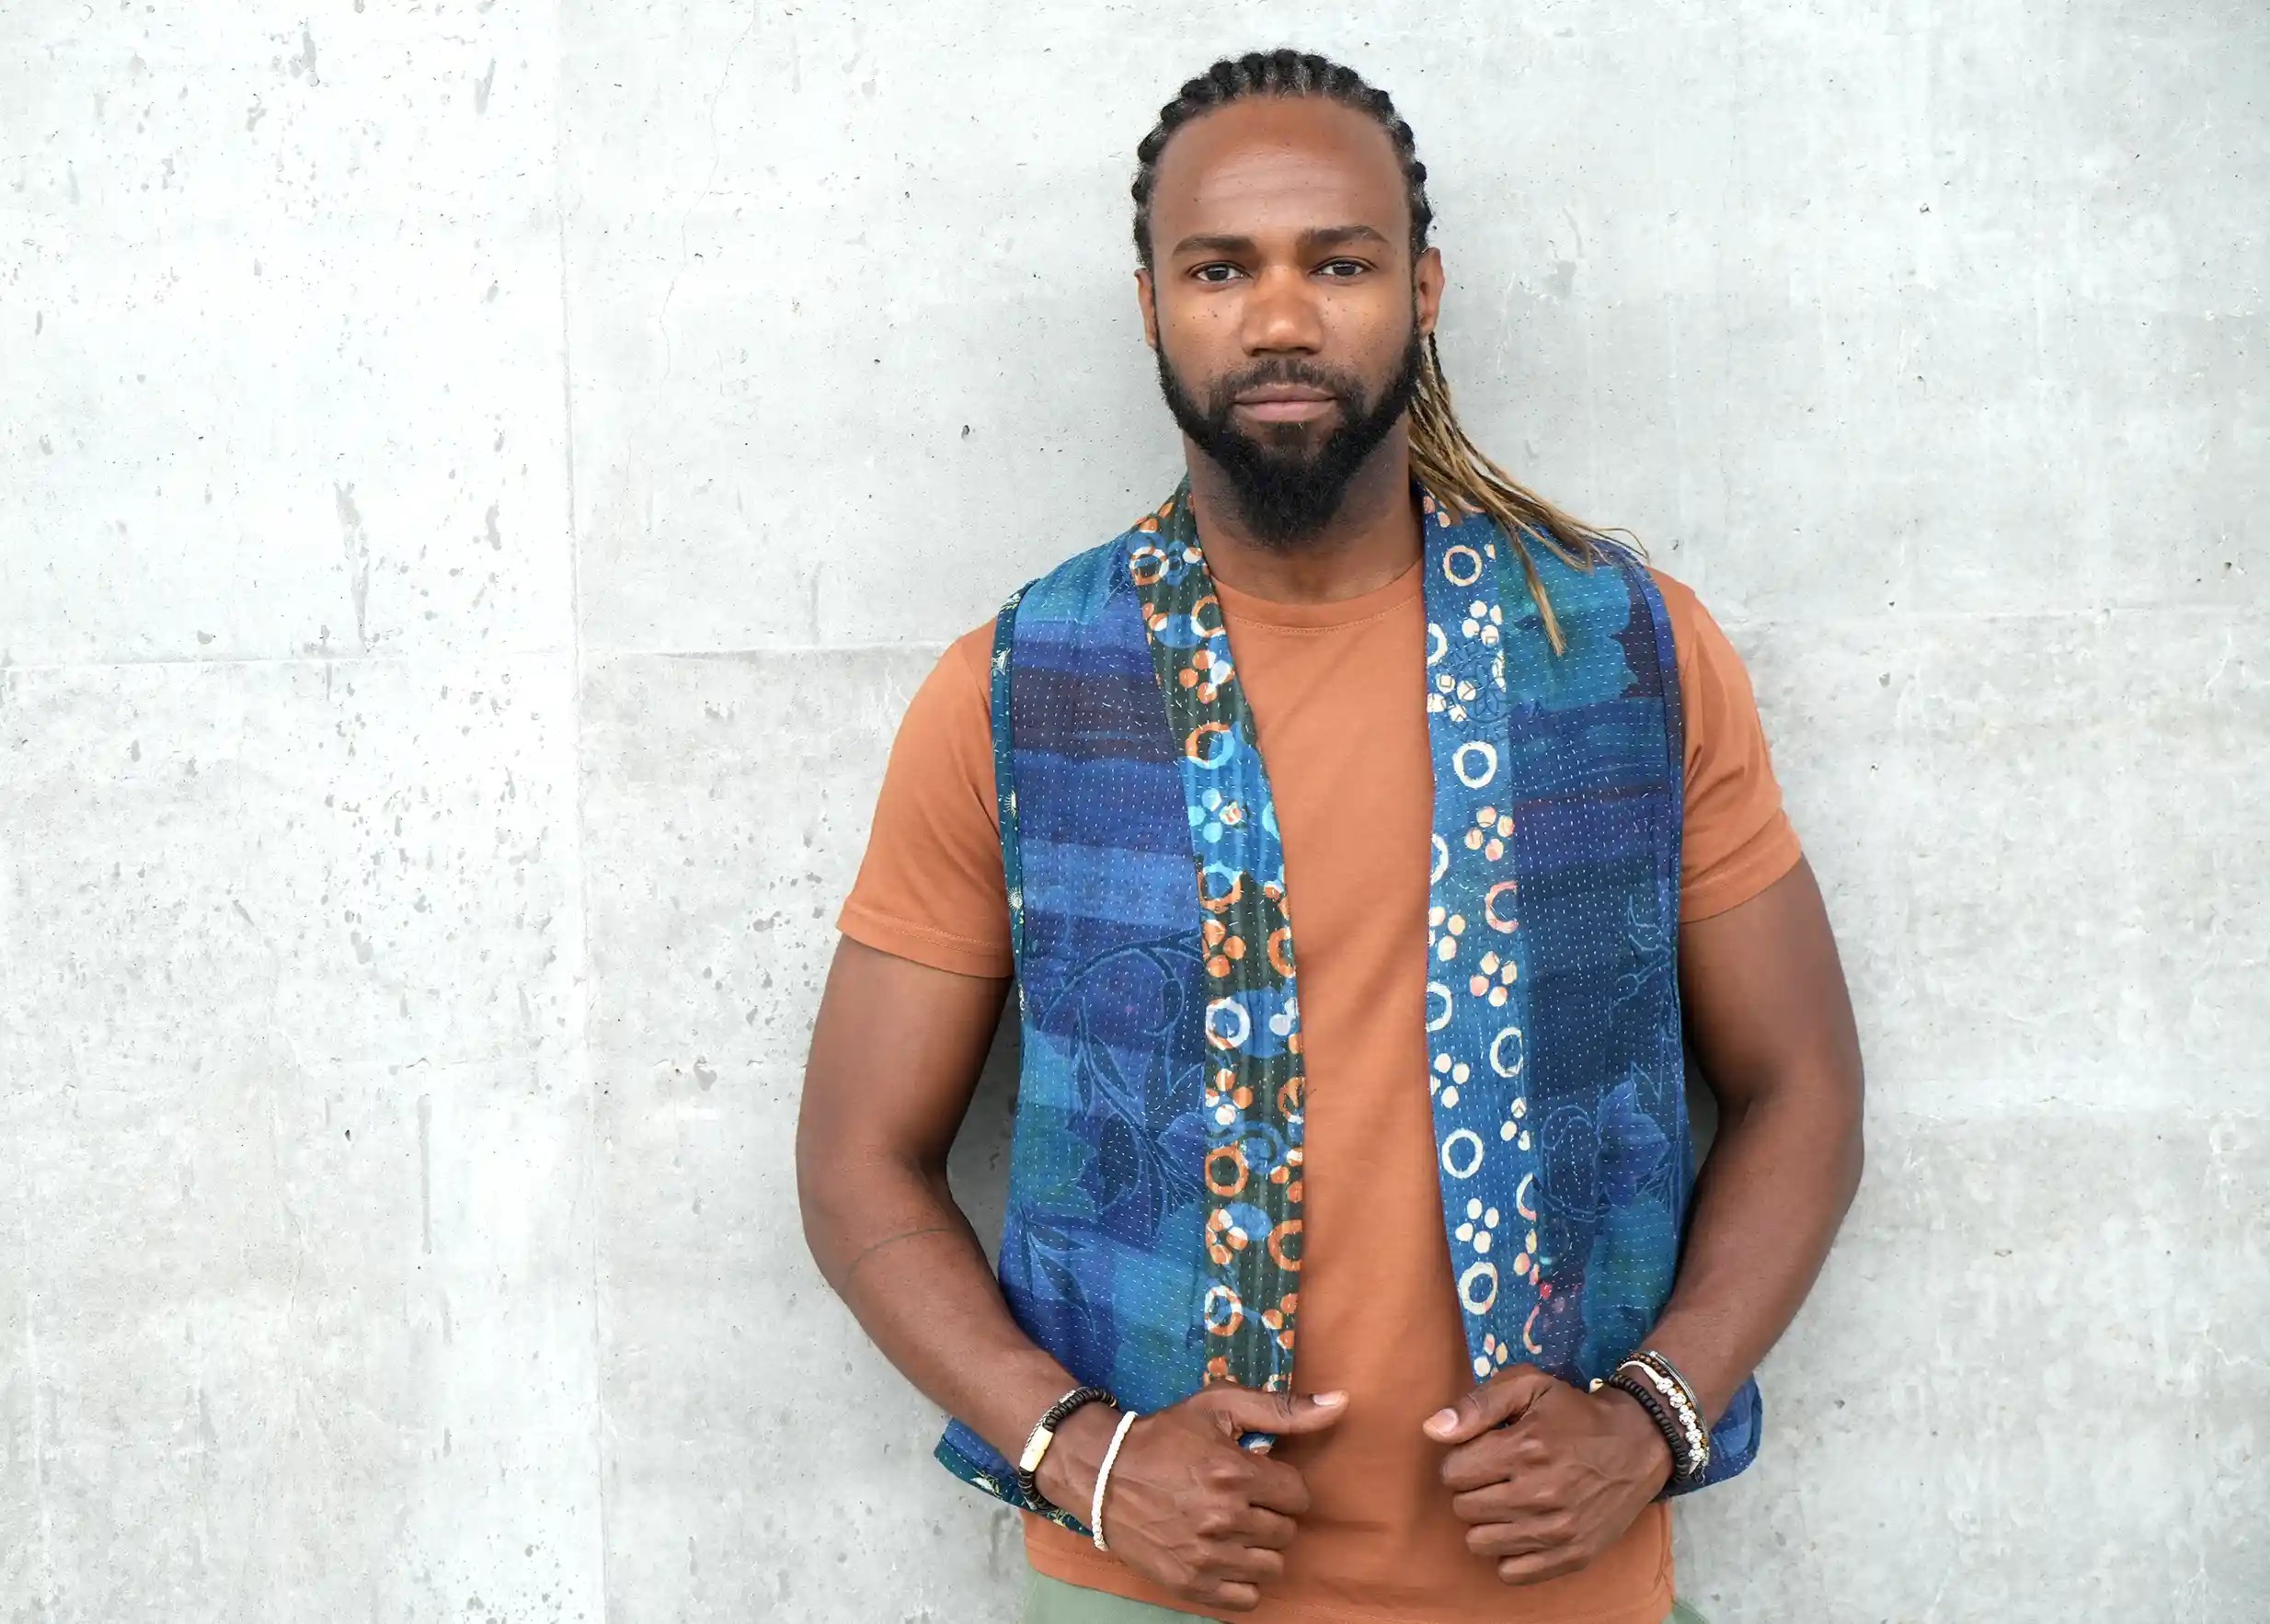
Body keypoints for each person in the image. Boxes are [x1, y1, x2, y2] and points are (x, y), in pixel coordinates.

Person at [797, 48, 1865, 1624]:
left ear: (1424, 288)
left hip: (1559, 1588)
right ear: (1148, 304)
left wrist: (1654, 1419)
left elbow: (1806, 1087)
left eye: (1339, 262)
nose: (1282, 318)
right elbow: (853, 1163)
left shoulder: (1622, 653)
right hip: (1141, 1592)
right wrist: (1083, 1455)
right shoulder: (1022, 689)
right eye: (1221, 267)